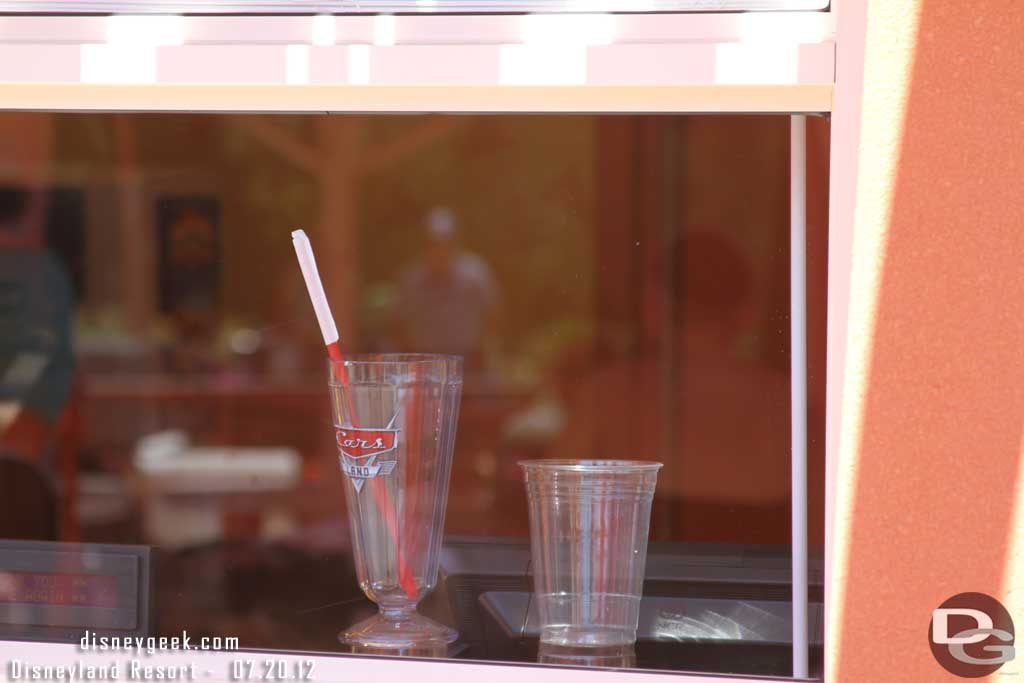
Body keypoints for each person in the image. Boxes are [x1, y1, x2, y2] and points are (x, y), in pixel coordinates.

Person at [551, 228, 794, 542]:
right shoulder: (786, 401)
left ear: (653, 306)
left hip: (627, 584)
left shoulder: (609, 393)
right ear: (747, 314)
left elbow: (557, 507)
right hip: (762, 588)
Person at [0, 186, 76, 462]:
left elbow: (42, 347)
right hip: (29, 409)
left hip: (28, 410)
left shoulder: (42, 269)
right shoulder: (45, 269)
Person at [393, 207, 500, 372]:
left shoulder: (476, 275)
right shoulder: (412, 281)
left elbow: (493, 316)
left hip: (470, 362)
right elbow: (398, 324)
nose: (440, 250)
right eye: (434, 243)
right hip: (424, 363)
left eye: (445, 243)